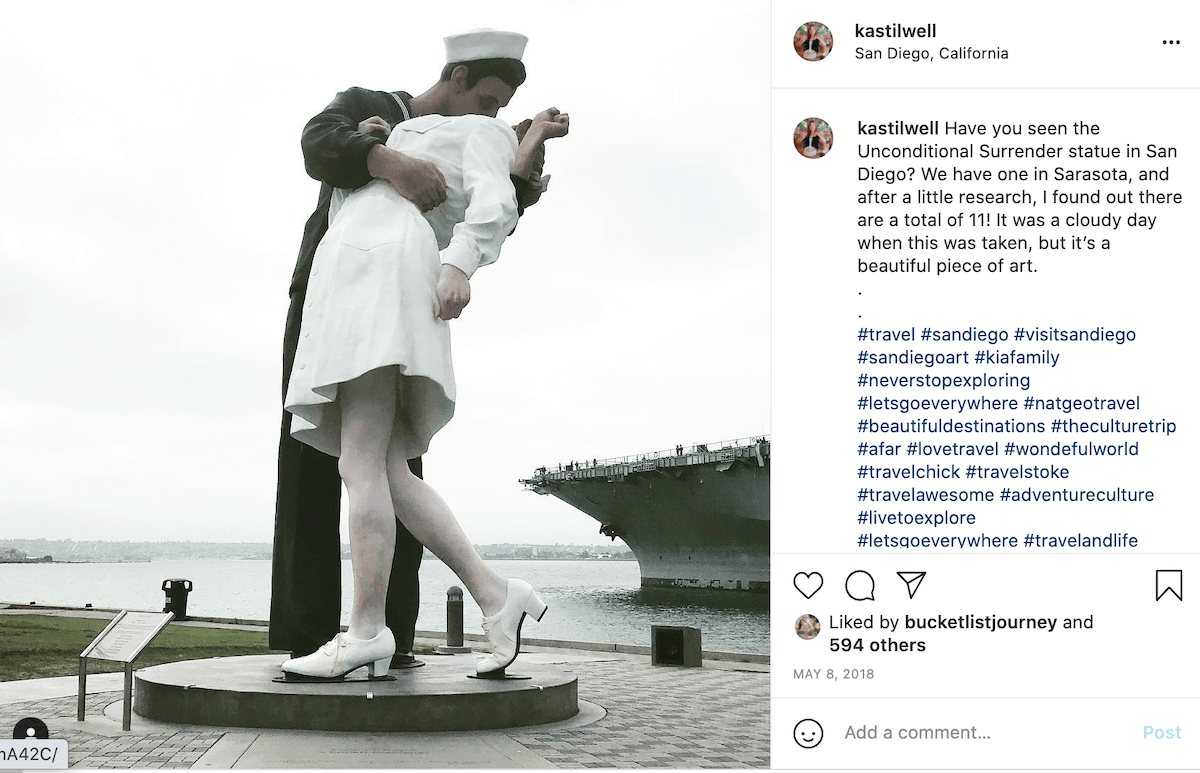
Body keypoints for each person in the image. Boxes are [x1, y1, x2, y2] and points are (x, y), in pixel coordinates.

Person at [279, 39, 569, 680]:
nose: (495, 113)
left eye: (504, 109)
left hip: (379, 265)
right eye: (490, 98)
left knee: (361, 458)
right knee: (382, 462)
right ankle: (496, 596)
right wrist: (380, 140)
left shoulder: (479, 132)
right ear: (458, 76)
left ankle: (365, 629)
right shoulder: (401, 124)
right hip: (352, 266)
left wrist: (460, 264)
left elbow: (496, 201)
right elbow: (322, 146)